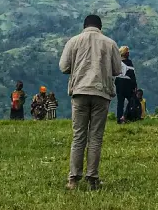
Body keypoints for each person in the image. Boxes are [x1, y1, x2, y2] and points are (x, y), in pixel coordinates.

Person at [59, 14, 122, 191]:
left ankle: (73, 179)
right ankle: (92, 178)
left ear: (84, 26)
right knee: (95, 137)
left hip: (80, 92)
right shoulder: (109, 43)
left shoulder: (74, 41)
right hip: (101, 93)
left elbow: (64, 67)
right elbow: (117, 69)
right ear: (100, 27)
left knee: (78, 135)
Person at [115, 46, 138, 124]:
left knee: (120, 102)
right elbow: (132, 75)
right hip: (127, 83)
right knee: (132, 100)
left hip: (119, 82)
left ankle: (119, 118)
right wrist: (135, 85)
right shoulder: (129, 62)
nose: (128, 53)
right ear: (125, 53)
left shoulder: (117, 62)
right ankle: (128, 116)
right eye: (127, 52)